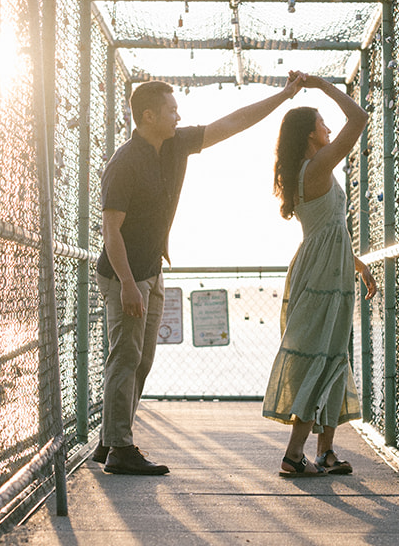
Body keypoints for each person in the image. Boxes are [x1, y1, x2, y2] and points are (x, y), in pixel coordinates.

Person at [94, 73, 303, 475]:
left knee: (142, 360)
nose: (178, 115)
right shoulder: (123, 163)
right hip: (124, 276)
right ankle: (120, 447)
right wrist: (126, 285)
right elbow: (111, 231)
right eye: (171, 110)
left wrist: (282, 96)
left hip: (150, 270)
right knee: (125, 356)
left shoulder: (175, 145)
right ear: (149, 115)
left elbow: (231, 123)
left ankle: (110, 439)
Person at [263, 73, 376, 477]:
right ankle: (294, 454)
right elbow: (359, 119)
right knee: (318, 355)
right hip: (324, 272)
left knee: (333, 354)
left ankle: (326, 452)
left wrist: (357, 265)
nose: (329, 127)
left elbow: (331, 227)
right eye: (322, 122)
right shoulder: (316, 165)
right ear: (310, 134)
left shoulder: (309, 168)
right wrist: (323, 85)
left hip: (330, 266)